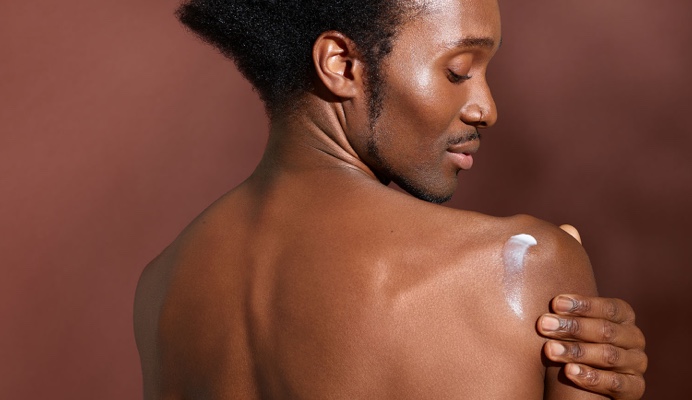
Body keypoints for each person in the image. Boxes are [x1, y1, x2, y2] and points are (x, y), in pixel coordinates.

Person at [133, 0, 647, 398]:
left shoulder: (162, 287)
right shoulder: (520, 264)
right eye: (458, 71)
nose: (485, 109)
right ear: (341, 63)